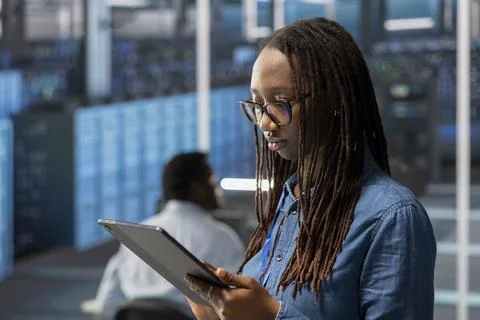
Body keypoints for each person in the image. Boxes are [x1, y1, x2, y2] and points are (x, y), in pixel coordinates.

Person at [184, 17, 437, 319]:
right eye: (258, 104)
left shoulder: (393, 217)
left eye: (280, 102)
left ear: (333, 102)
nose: (264, 122)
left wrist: (270, 316)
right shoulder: (289, 200)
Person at [92, 152, 245, 318]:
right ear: (197, 188)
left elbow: (106, 303)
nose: (216, 189)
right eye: (211, 181)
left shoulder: (136, 234)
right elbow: (239, 303)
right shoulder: (222, 237)